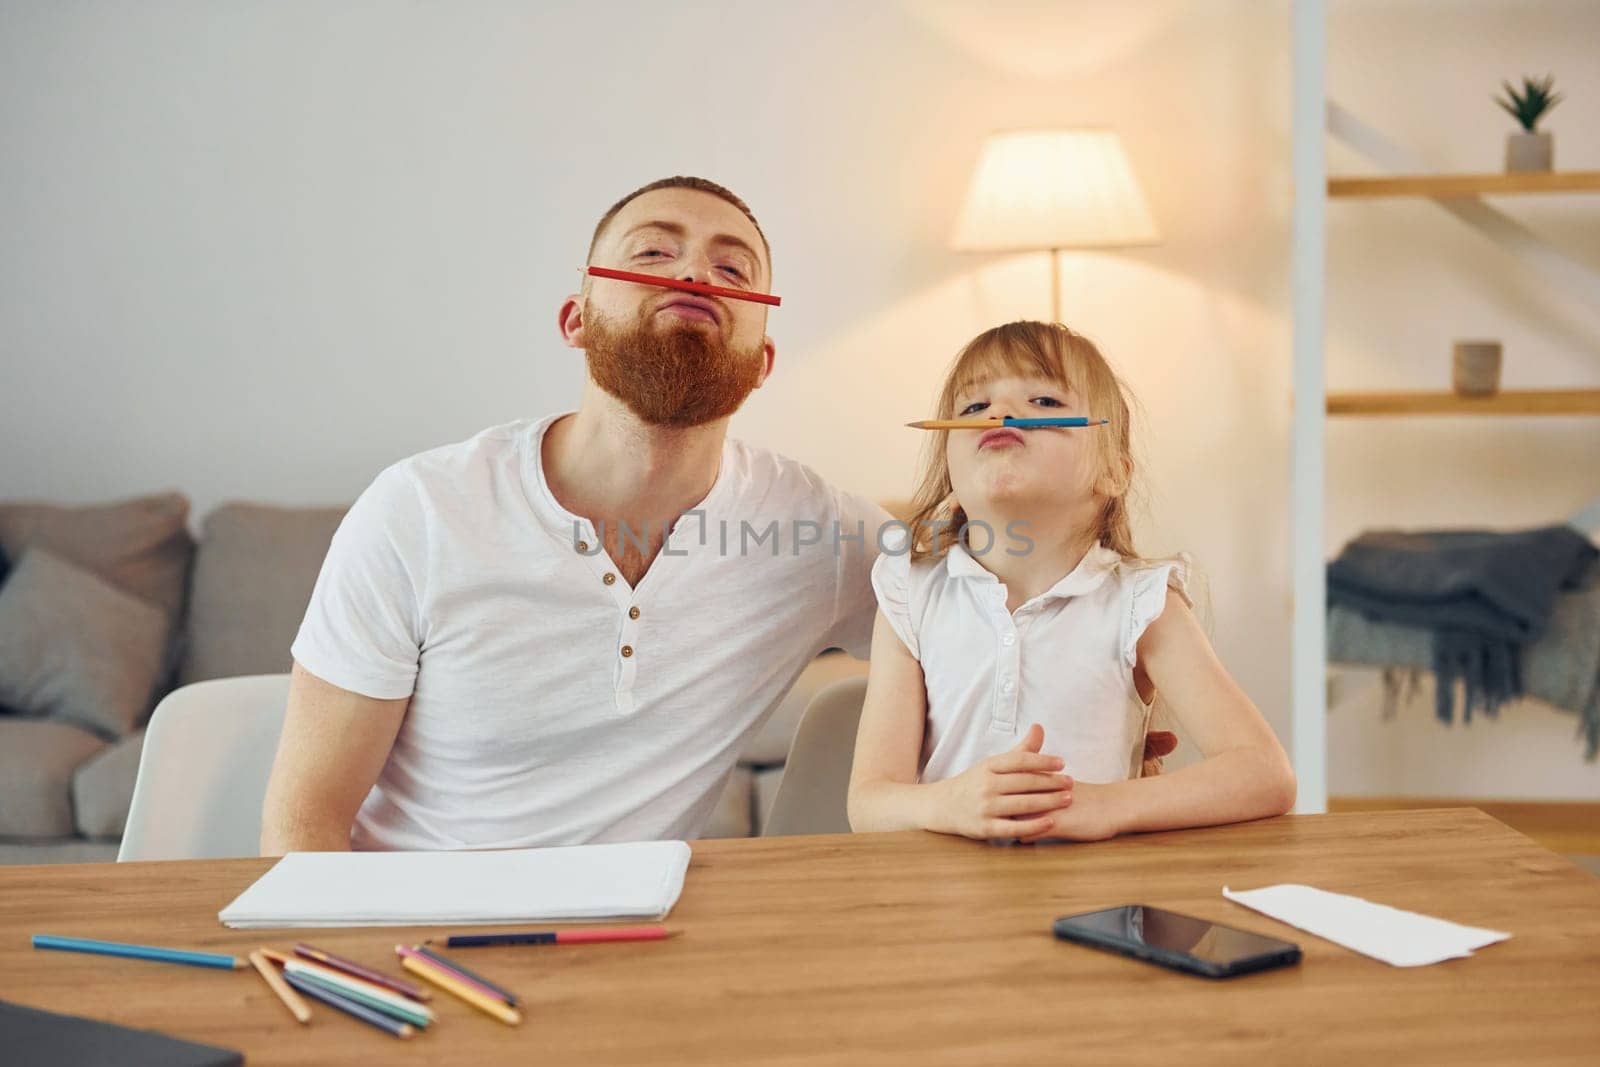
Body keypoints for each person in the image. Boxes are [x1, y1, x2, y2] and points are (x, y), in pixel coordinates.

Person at [260, 176, 890, 853]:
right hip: (414, 941)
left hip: (634, 942)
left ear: (761, 362)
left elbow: (989, 596)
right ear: (576, 321)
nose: (694, 273)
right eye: (653, 253)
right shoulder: (418, 510)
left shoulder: (816, 531)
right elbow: (305, 819)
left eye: (732, 268)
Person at [847, 321, 1295, 843]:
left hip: (1094, 908)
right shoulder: (910, 593)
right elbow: (869, 803)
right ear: (949, 469)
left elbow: (1265, 772)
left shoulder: (1143, 604)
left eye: (1042, 398)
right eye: (973, 408)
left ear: (1114, 471)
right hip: (940, 912)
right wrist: (948, 804)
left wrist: (1108, 805)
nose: (1000, 412)